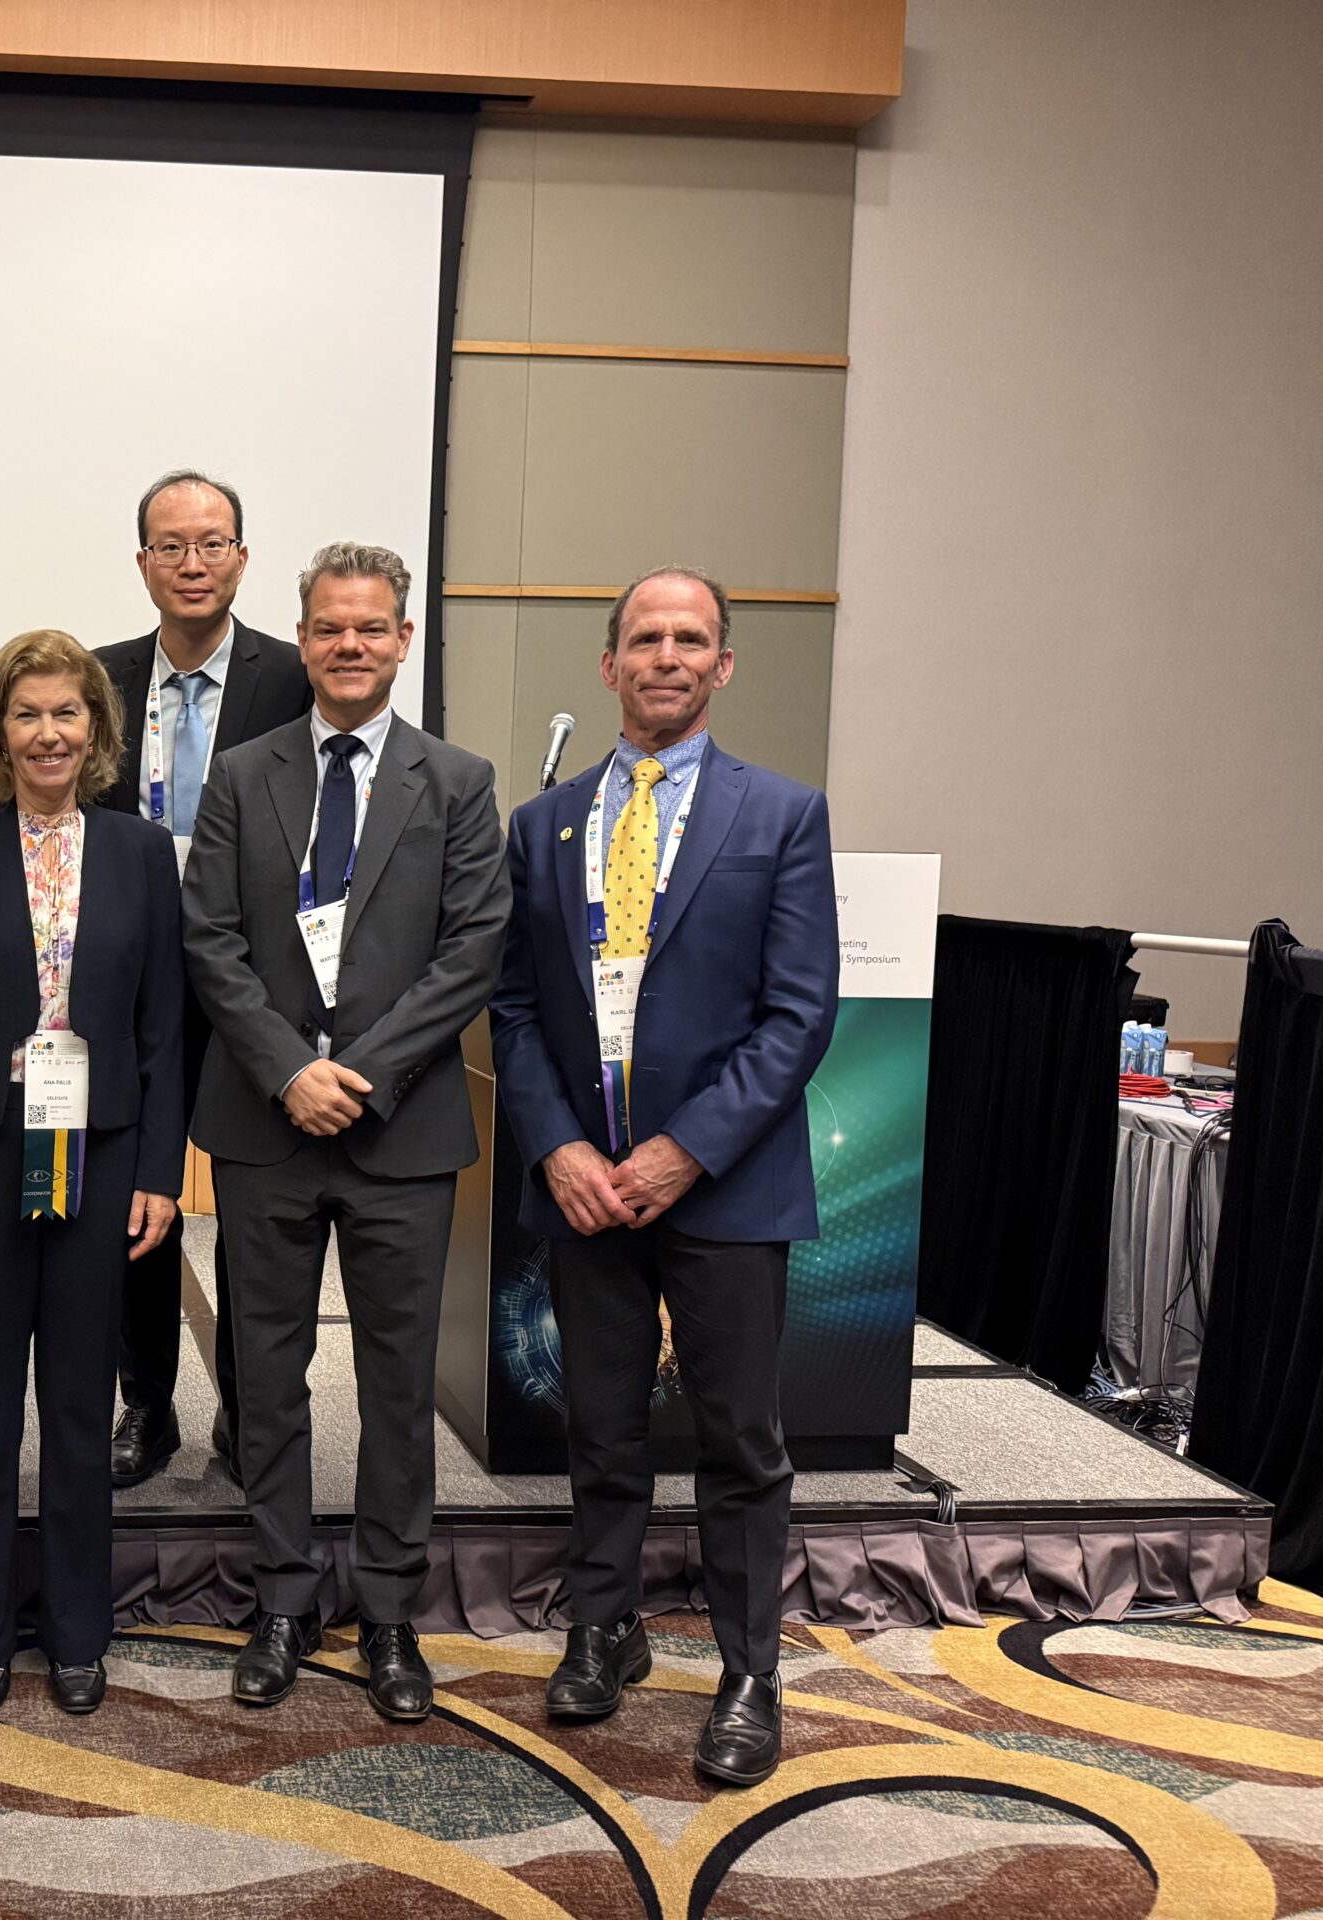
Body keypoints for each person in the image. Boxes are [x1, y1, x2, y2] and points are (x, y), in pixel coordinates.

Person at [487, 565, 837, 1788]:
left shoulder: (782, 815)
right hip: (588, 1185)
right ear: (608, 665)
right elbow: (516, 1008)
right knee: (599, 1421)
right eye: (645, 639)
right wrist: (561, 1148)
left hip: (722, 1185)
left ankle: (749, 1670)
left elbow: (798, 1017)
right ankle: (604, 1625)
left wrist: (684, 1150)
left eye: (692, 640)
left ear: (724, 666)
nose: (667, 657)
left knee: (740, 1435)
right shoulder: (544, 827)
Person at [182, 541, 507, 1723]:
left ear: (403, 640)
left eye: (372, 628)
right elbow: (207, 940)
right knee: (265, 1379)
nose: (350, 646)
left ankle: (386, 1613)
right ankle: (278, 1596)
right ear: (304, 636)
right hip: (265, 1127)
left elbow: (472, 949)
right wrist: (287, 1072)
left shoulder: (458, 781)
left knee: (392, 1385)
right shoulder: (241, 774)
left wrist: (355, 1073)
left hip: (399, 1132)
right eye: (329, 628)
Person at [0, 629, 185, 1717]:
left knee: (73, 1399)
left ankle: (74, 1628)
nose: (48, 733)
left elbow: (163, 1029)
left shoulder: (141, 853)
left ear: (97, 731)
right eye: (27, 714)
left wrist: (161, 1171)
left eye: (68, 714)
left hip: (103, 1156)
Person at [94, 469, 311, 1488]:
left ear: (241, 556)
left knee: (253, 1210)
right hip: (126, 986)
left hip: (249, 986)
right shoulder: (98, 681)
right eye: (170, 546)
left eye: (211, 543)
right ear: (143, 563)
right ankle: (148, 1407)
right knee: (136, 1201)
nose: (192, 563)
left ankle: (249, 1412)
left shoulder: (292, 678)